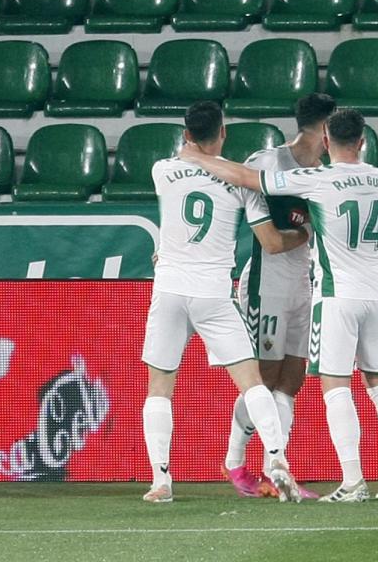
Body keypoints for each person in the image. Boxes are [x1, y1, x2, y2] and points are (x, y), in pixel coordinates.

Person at [180, 109, 378, 503]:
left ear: (327, 141)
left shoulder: (319, 179)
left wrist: (195, 157)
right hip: (377, 292)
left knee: (334, 386)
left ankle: (353, 481)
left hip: (336, 293)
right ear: (363, 142)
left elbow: (248, 179)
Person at [141, 101, 310, 504]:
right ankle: (277, 459)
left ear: (186, 135)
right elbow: (270, 238)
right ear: (223, 133)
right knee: (252, 382)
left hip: (169, 289)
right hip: (213, 294)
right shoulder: (242, 184)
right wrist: (302, 237)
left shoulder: (162, 171)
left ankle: (160, 482)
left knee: (159, 389)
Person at [223, 93, 336, 500]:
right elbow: (265, 237)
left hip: (302, 284)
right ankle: (235, 461)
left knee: (292, 379)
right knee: (264, 378)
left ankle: (278, 467)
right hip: (265, 284)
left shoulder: (324, 171)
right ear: (324, 129)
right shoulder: (267, 163)